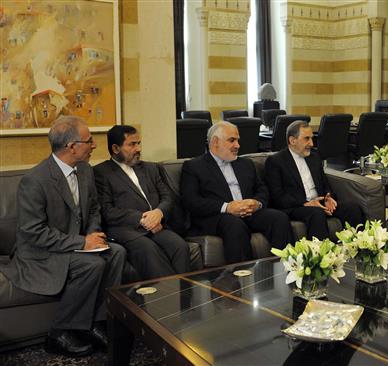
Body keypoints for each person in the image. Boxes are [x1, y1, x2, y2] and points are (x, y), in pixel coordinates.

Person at [0, 116, 126, 356]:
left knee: (118, 253)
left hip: (75, 244)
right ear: (72, 146)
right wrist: (82, 242)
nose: (94, 145)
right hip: (41, 252)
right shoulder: (35, 180)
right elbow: (33, 232)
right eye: (89, 141)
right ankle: (58, 334)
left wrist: (92, 232)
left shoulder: (86, 170)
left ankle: (95, 323)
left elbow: (93, 209)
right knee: (93, 265)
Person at [180, 121, 293, 263]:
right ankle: (242, 277)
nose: (238, 145)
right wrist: (227, 207)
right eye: (232, 140)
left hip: (249, 212)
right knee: (234, 225)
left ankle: (284, 269)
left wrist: (256, 203)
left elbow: (262, 189)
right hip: (217, 217)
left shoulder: (246, 164)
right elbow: (191, 201)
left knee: (279, 218)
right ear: (215, 142)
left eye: (238, 140)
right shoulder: (194, 167)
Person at [94, 125, 191, 280]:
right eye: (132, 144)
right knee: (148, 249)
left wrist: (158, 213)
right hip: (126, 229)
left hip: (157, 225)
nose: (138, 148)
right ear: (115, 148)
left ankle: (185, 296)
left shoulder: (151, 168)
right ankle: (170, 299)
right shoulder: (101, 173)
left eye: (139, 143)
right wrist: (143, 219)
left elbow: (167, 197)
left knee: (179, 246)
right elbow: (107, 210)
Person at [264, 120, 365, 240]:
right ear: (292, 140)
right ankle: (322, 256)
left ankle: (359, 249)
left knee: (352, 208)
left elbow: (324, 183)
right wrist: (305, 203)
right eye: (306, 139)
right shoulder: (276, 161)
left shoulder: (314, 157)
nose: (311, 143)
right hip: (296, 206)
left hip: (319, 202)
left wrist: (328, 197)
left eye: (312, 138)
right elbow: (277, 196)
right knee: (316, 213)